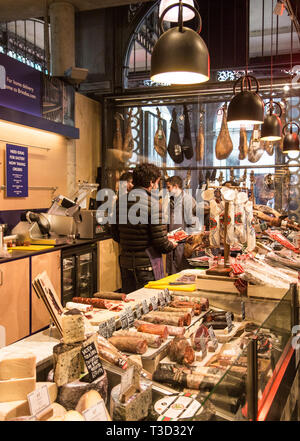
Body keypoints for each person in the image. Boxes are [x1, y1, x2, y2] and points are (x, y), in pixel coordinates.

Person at [111, 163, 176, 294]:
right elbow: (161, 243)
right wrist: (172, 245)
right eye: (157, 182)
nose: (157, 187)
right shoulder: (153, 203)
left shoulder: (120, 202)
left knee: (130, 304)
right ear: (151, 182)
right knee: (149, 306)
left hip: (126, 263)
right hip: (147, 266)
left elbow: (114, 234)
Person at [163, 175, 200, 274]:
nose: (167, 190)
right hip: (172, 243)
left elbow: (195, 222)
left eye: (168, 187)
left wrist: (190, 239)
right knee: (172, 275)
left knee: (183, 274)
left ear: (175, 186)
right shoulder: (170, 200)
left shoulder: (187, 199)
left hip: (183, 245)